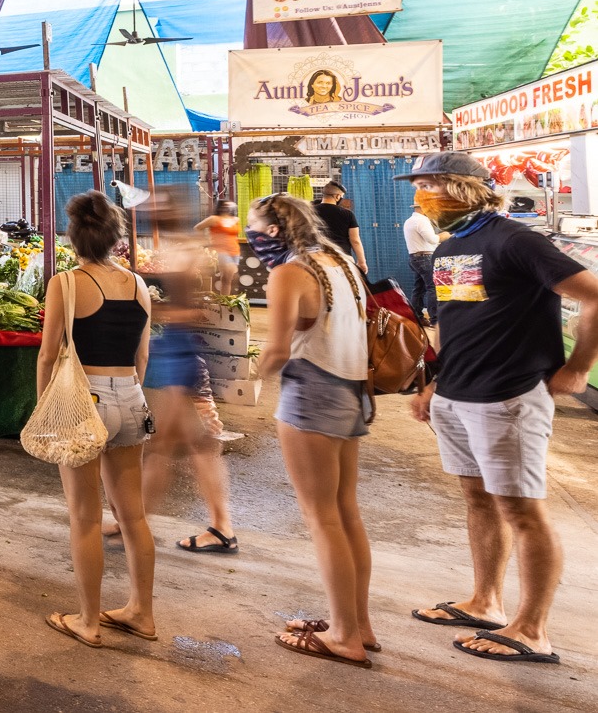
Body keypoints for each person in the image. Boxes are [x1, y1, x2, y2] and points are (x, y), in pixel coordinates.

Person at [400, 152, 598, 665]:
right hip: (458, 393)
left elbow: (594, 296)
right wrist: (433, 384)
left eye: (432, 185)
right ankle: (486, 602)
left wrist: (576, 368)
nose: (422, 196)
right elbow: (458, 320)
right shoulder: (453, 247)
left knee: (522, 510)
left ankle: (532, 629)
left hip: (508, 395)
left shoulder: (517, 240)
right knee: (478, 500)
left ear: (467, 187)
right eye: (419, 187)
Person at [248, 193, 376, 669]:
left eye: (254, 227)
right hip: (352, 392)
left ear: (276, 230)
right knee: (345, 512)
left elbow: (278, 350)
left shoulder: (288, 273)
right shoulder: (338, 260)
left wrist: (247, 378)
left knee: (321, 518)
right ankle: (358, 623)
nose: (251, 236)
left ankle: (344, 636)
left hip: (311, 393)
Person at [40, 190, 156, 649]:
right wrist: (127, 392)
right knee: (133, 516)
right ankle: (142, 613)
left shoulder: (65, 283)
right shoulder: (139, 284)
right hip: (132, 397)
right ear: (115, 238)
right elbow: (143, 357)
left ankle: (88, 621)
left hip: (82, 401)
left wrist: (44, 409)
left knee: (85, 518)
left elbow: (48, 356)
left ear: (74, 239)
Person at [142, 192, 237, 555]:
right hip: (178, 356)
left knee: (168, 447)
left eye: (158, 208)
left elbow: (191, 312)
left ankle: (135, 523)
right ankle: (219, 525)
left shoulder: (184, 254)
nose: (150, 211)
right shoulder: (184, 250)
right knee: (186, 446)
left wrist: (152, 308)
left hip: (179, 359)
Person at [313, 182, 369, 277]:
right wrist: (362, 262)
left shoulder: (309, 212)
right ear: (337, 196)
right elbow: (355, 241)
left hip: (316, 256)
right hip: (343, 257)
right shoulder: (348, 214)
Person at [403, 197, 441, 326]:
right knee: (433, 288)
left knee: (419, 289)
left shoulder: (409, 221)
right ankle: (435, 320)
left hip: (415, 258)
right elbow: (432, 240)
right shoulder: (422, 221)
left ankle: (417, 317)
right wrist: (444, 236)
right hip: (425, 258)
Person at [195, 200, 241, 293]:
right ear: (221, 207)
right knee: (230, 271)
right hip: (220, 250)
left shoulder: (235, 219)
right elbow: (198, 228)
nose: (228, 207)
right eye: (226, 205)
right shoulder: (214, 219)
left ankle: (224, 301)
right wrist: (205, 241)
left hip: (235, 251)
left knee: (227, 279)